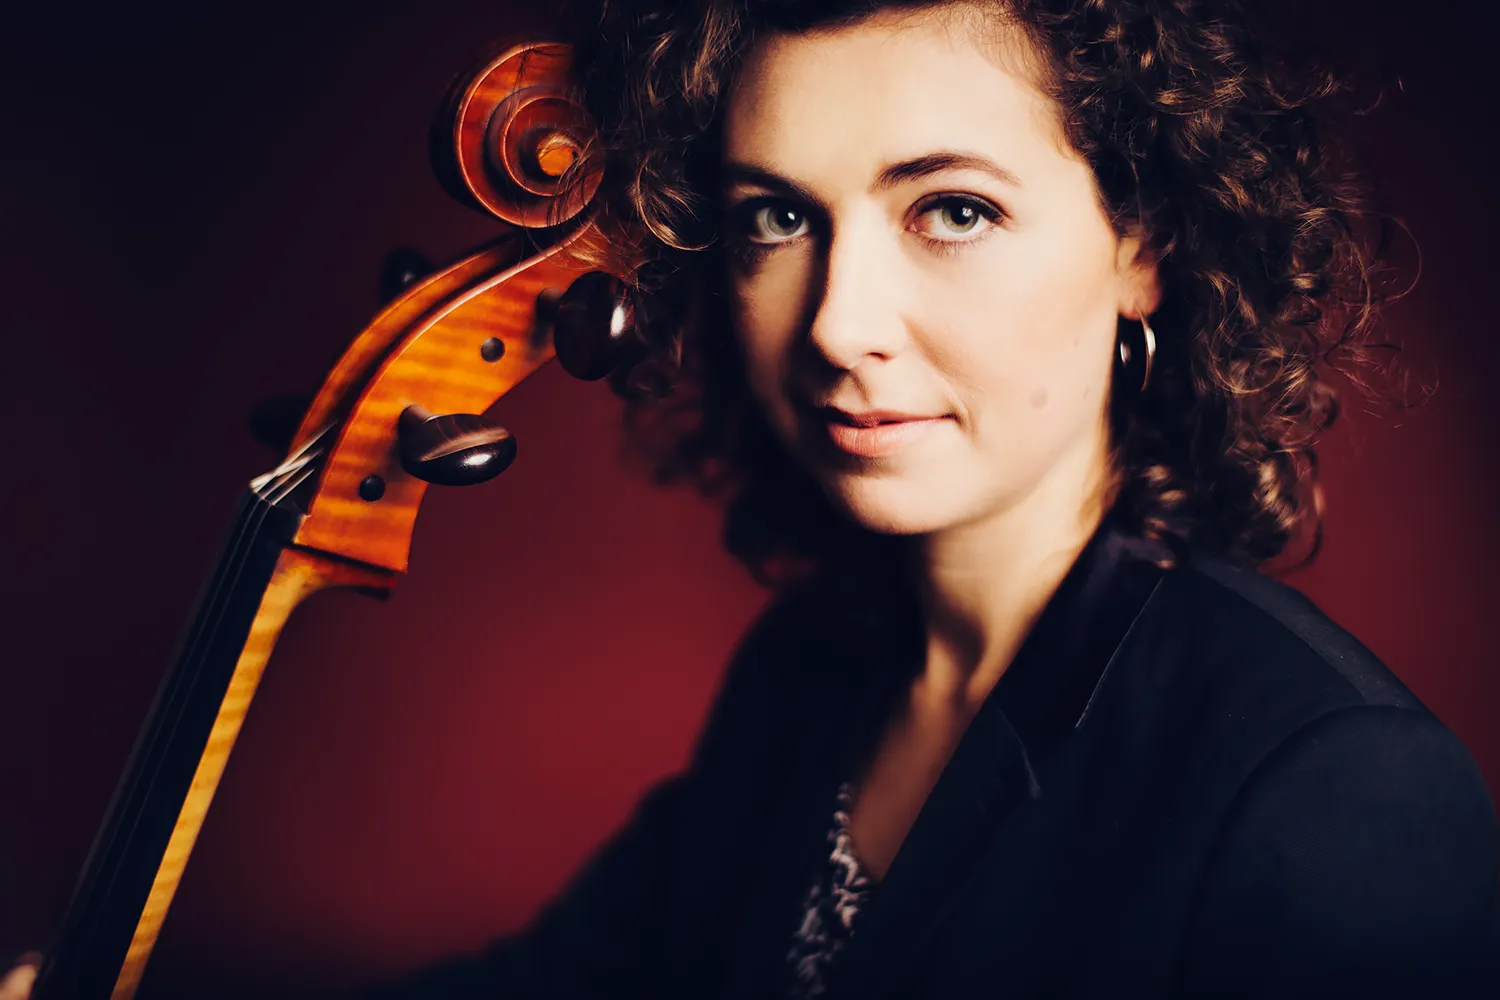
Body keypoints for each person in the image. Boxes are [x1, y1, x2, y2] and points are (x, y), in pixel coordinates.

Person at [6, 0, 1496, 996]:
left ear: (1143, 246)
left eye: (952, 211)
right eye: (777, 218)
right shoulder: (815, 678)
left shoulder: (1330, 796)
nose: (839, 319)